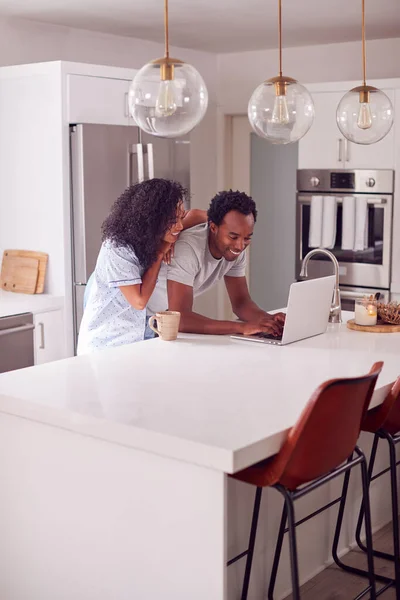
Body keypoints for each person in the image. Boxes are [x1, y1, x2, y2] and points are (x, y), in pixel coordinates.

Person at [77, 178, 206, 354]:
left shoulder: (150, 237)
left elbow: (198, 215)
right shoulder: (117, 248)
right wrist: (159, 254)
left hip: (135, 343)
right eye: (173, 220)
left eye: (180, 217)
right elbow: (139, 301)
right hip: (105, 345)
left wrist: (219, 221)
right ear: (152, 220)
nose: (180, 226)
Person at [167, 190, 285, 337]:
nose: (240, 246)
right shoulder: (189, 248)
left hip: (163, 319)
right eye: (233, 237)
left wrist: (269, 320)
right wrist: (242, 327)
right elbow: (181, 318)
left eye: (247, 238)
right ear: (213, 228)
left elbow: (241, 303)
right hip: (144, 318)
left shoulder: (235, 251)